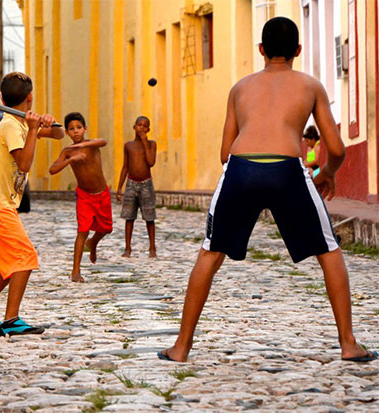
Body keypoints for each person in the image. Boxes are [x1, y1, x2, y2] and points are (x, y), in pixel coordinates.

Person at [159, 17, 377, 363]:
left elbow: (224, 153)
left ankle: (181, 347)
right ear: (298, 51)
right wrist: (328, 175)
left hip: (241, 169)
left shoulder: (240, 88)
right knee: (329, 251)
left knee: (210, 253)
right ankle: (349, 344)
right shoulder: (311, 85)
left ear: (261, 50)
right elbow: (336, 149)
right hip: (288, 169)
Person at [0, 72, 64, 336]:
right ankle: (11, 320)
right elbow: (24, 164)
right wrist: (34, 129)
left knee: (11, 260)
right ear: (29, 97)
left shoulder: (20, 122)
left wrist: (50, 123)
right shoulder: (11, 126)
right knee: (24, 257)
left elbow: (60, 135)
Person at [49, 112, 112, 283]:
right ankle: (75, 270)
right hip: (84, 196)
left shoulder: (91, 145)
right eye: (71, 129)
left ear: (85, 128)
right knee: (82, 230)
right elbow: (52, 169)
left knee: (106, 228)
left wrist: (79, 148)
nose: (76, 131)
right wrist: (71, 159)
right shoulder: (67, 151)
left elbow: (103, 141)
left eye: (79, 128)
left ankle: (93, 244)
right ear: (67, 133)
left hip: (102, 194)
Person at [116, 116, 158, 258]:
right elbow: (125, 167)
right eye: (139, 125)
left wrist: (145, 141)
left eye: (145, 126)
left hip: (146, 184)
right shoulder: (128, 145)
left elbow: (151, 162)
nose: (142, 128)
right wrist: (119, 188)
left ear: (148, 129)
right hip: (131, 184)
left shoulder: (152, 144)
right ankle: (127, 248)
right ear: (134, 127)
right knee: (129, 217)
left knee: (149, 217)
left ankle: (152, 248)